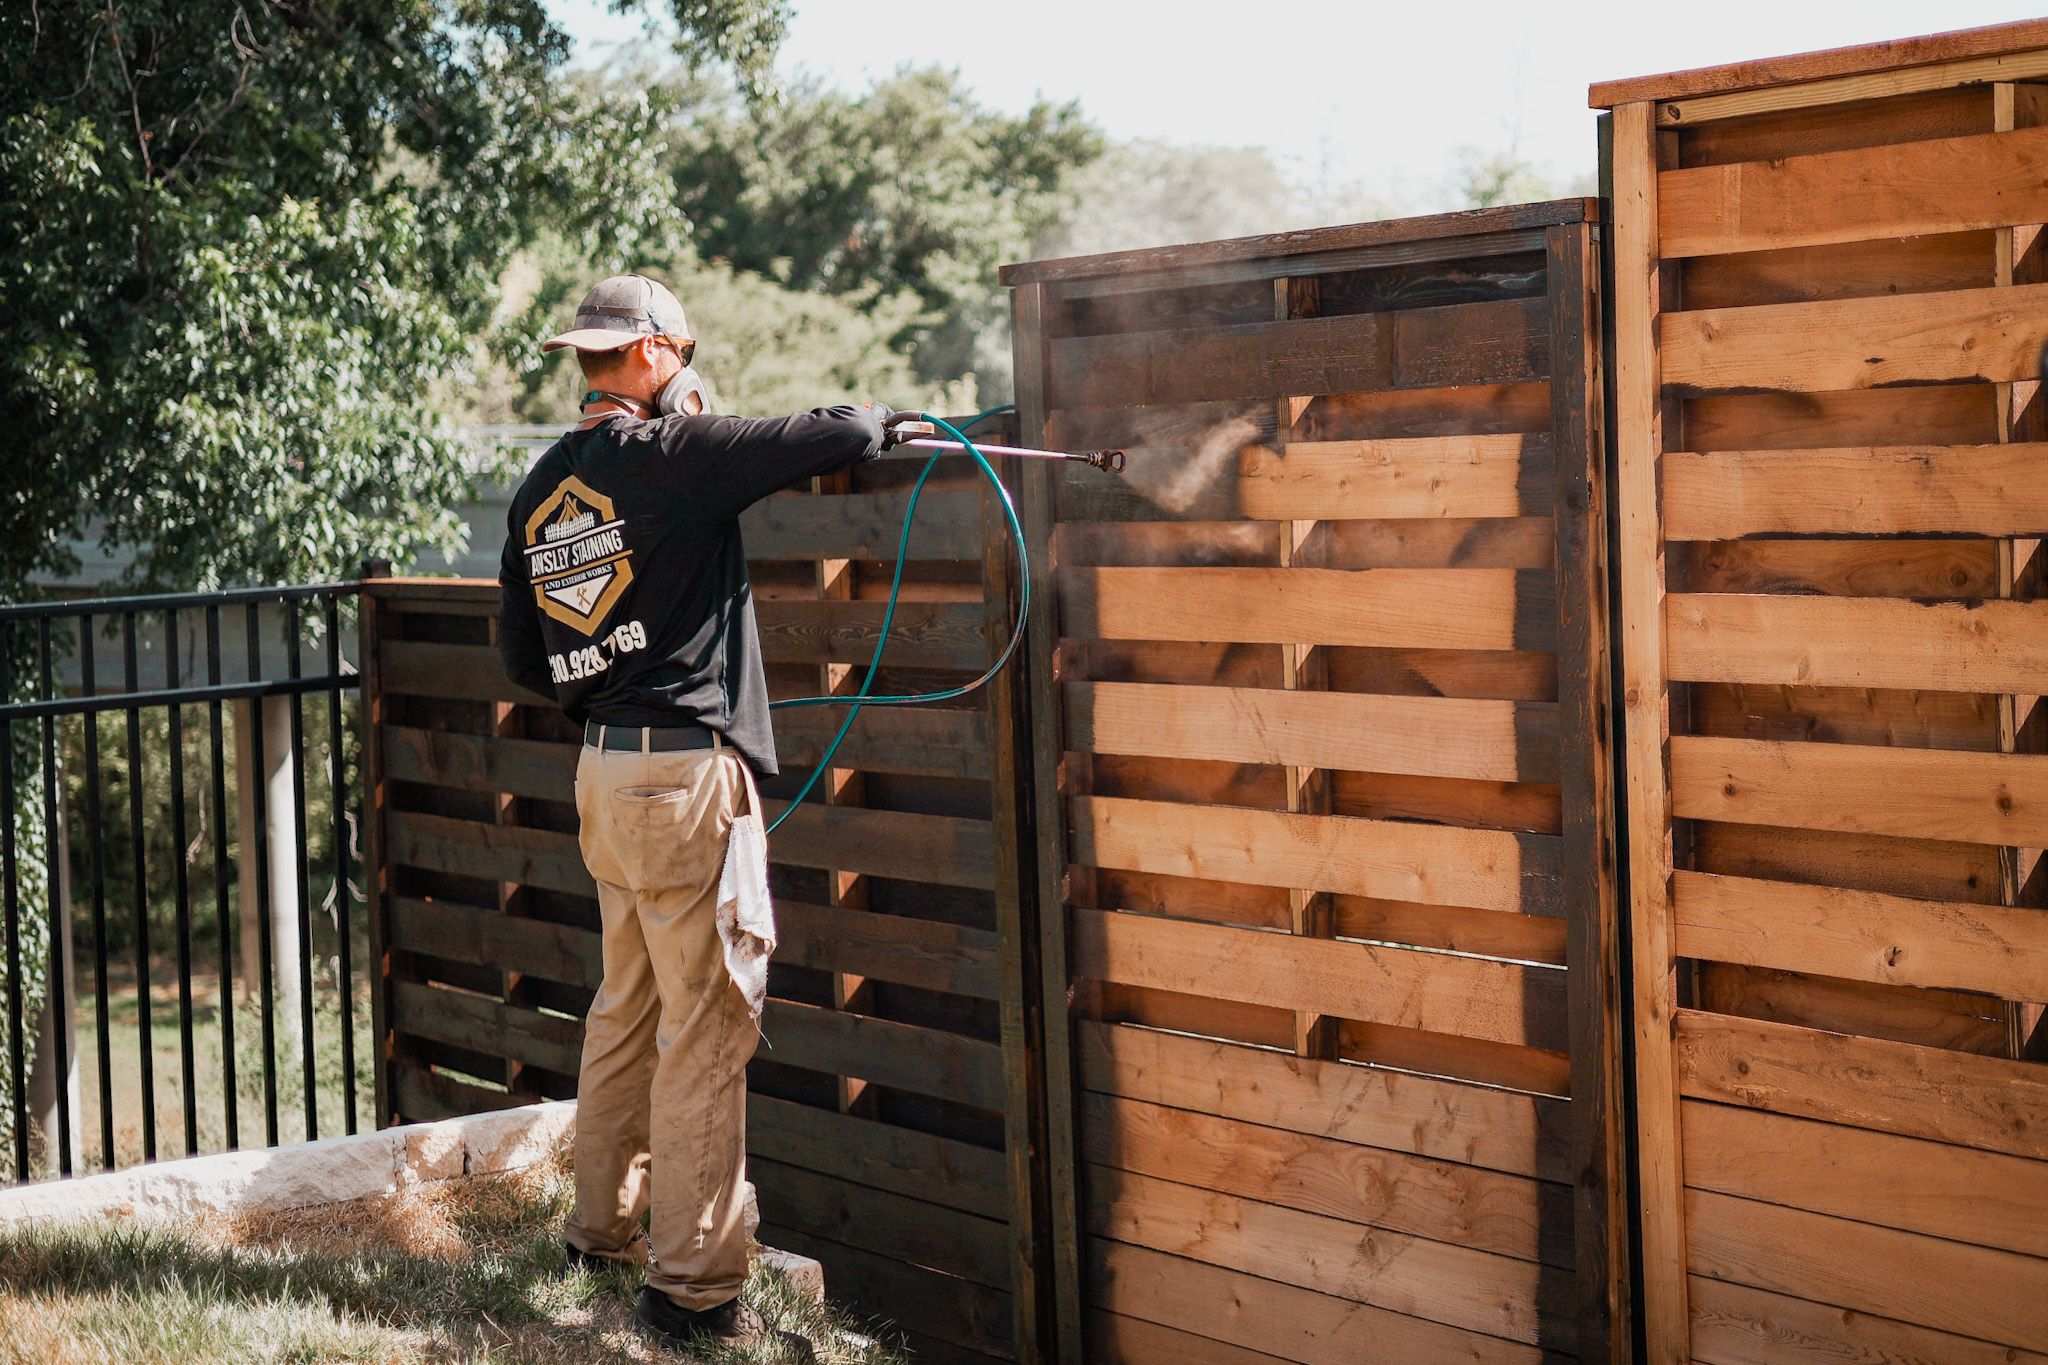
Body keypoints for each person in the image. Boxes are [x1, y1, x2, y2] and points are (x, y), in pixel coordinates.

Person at [495, 273, 904, 1357]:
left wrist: (611, 657)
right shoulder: (675, 458)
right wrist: (884, 418)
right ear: (647, 354)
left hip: (602, 774)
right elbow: (843, 428)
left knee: (626, 1006)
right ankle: (691, 1290)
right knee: (708, 1029)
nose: (686, 356)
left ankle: (599, 1235)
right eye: (680, 344)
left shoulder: (544, 486)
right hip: (682, 782)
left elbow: (520, 658)